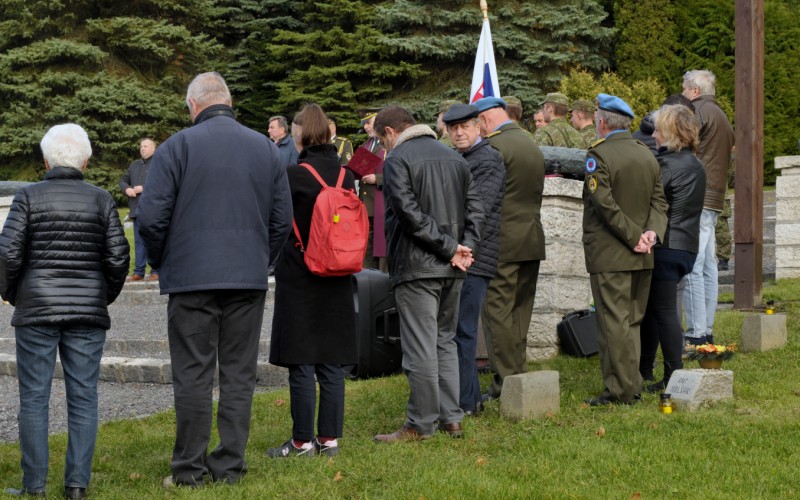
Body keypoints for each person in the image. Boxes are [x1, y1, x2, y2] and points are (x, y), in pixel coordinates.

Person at [137, 72, 293, 486]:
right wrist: (260, 259)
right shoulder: (265, 147)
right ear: (229, 101)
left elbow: (151, 218)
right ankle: (229, 466)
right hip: (246, 276)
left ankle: (189, 468)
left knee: (193, 373)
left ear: (193, 105)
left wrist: (164, 260)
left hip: (191, 277)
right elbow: (282, 219)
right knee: (239, 374)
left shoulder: (176, 147)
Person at [0, 124, 130, 499]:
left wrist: (16, 295)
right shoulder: (102, 199)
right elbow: (118, 258)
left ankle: (34, 486)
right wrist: (100, 297)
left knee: (33, 398)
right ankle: (76, 486)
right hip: (86, 310)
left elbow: (7, 254)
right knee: (84, 397)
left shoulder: (27, 197)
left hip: (37, 309)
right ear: (85, 162)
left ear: (46, 161)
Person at [373, 105, 484, 442]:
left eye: (382, 140)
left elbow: (408, 214)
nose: (383, 147)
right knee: (444, 341)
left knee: (421, 346)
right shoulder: (455, 157)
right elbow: (476, 209)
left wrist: (453, 249)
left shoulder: (397, 158)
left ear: (390, 132)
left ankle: (421, 424)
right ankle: (452, 419)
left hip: (419, 265)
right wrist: (464, 247)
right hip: (451, 266)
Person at [267, 104, 358, 458]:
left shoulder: (293, 175)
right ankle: (329, 440)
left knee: (302, 360)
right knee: (332, 360)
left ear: (301, 134)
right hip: (338, 271)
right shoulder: (345, 176)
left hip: (300, 273)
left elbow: (278, 222)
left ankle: (302, 441)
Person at [582, 93, 668, 406]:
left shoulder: (599, 155)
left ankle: (619, 390)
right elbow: (659, 202)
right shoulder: (646, 154)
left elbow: (604, 205)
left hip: (611, 253)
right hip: (643, 254)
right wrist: (650, 235)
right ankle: (631, 385)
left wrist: (635, 237)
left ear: (602, 122)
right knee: (631, 321)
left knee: (612, 323)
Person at [474, 96, 545, 399]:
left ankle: (505, 381)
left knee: (497, 311)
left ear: (484, 120)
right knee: (519, 312)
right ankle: (518, 373)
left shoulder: (493, 147)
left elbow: (482, 199)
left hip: (500, 240)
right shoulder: (530, 143)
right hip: (531, 237)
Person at [443, 104, 505, 415]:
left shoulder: (487, 159)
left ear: (478, 127)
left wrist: (464, 249)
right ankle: (466, 398)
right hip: (463, 253)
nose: (459, 133)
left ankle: (468, 402)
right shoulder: (460, 157)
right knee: (458, 329)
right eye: (453, 128)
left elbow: (477, 208)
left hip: (475, 255)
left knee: (464, 330)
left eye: (465, 127)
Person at [639, 105, 706, 393]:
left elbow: (650, 200)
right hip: (687, 246)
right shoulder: (697, 164)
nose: (653, 135)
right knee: (656, 309)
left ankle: (673, 375)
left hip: (665, 245)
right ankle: (646, 369)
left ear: (670, 133)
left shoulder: (665, 165)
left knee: (663, 311)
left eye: (657, 130)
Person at [681, 70, 734, 345]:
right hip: (715, 197)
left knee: (693, 263)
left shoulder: (696, 112)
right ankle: (707, 328)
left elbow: (683, 149)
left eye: (684, 89)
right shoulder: (722, 116)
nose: (682, 94)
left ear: (695, 91)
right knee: (709, 265)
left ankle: (696, 333)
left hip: (697, 195)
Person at [119, 137, 159, 281]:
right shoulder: (134, 165)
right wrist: (127, 189)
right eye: (141, 146)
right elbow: (123, 181)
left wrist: (144, 188)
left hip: (153, 209)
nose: (142, 148)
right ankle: (139, 272)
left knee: (154, 240)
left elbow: (162, 183)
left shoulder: (159, 163)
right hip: (136, 208)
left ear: (153, 148)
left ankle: (156, 271)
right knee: (138, 241)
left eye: (146, 146)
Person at [353, 110, 388, 272]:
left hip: (382, 204)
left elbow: (400, 174)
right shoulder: (367, 145)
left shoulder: (388, 143)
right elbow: (357, 170)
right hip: (366, 206)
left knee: (382, 249)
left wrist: (378, 179)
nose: (366, 127)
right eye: (364, 124)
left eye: (369, 122)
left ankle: (383, 277)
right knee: (367, 247)